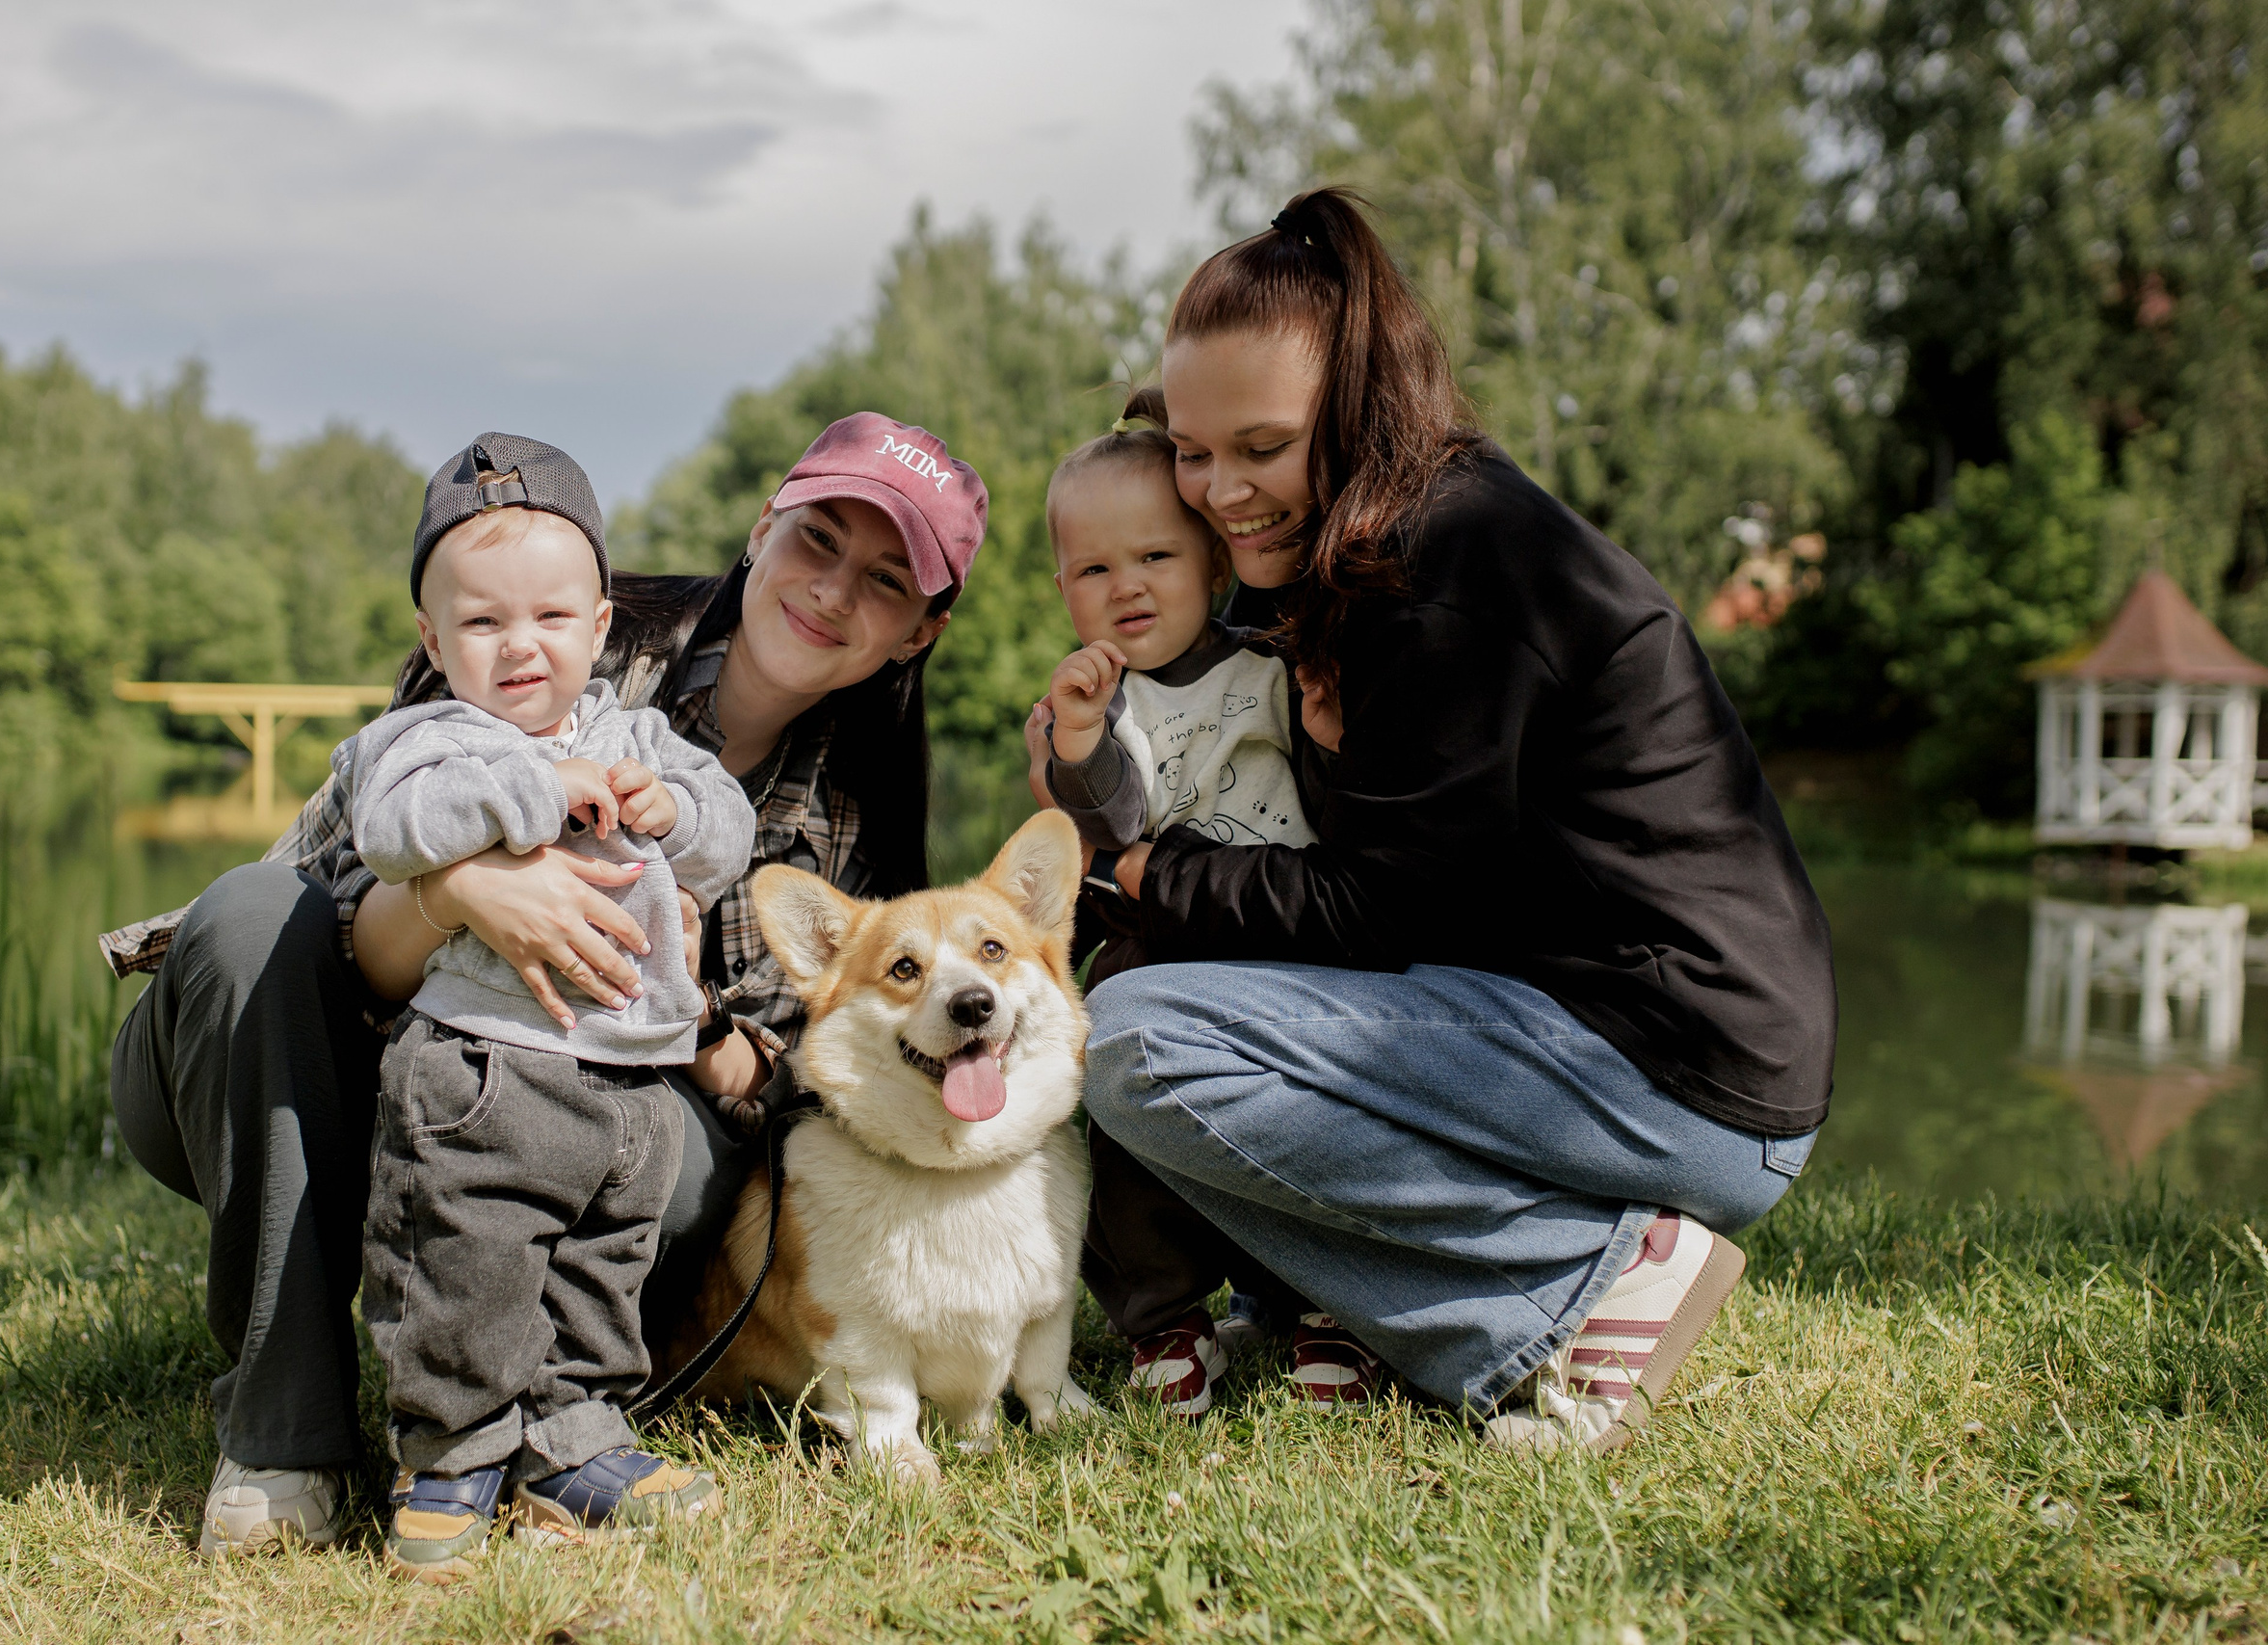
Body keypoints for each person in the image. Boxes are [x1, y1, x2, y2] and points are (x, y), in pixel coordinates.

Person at [106, 412, 987, 1556]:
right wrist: (464, 892)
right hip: (267, 1062)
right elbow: (303, 935)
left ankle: (546, 1421)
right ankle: (286, 1437)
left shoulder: (850, 827)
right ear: (764, 526)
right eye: (817, 539)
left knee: (685, 1163)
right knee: (249, 910)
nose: (831, 590)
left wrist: (685, 1004)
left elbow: (787, 1095)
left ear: (922, 630)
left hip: (548, 1107)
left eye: (884, 580)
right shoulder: (539, 621)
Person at [1073, 187, 1835, 1453]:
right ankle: (1357, 1305)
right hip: (1589, 1035)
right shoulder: (1376, 541)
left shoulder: (1450, 567)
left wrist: (1151, 870)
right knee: (1148, 1000)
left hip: (1675, 1073)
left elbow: (1379, 914)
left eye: (1262, 447)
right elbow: (1400, 867)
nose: (1219, 491)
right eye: (1193, 452)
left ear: (1355, 405)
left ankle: (1590, 1279)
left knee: (1139, 1041)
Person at [339, 435, 754, 1579]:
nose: (520, 645)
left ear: (601, 626)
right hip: (487, 1071)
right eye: (482, 623)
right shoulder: (433, 741)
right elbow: (393, 830)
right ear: (434, 642)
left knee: (599, 1266)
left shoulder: (641, 739)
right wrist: (537, 785)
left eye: (552, 618)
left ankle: (572, 1440)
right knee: (467, 1264)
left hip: (629, 1075)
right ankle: (451, 1453)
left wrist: (671, 809)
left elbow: (728, 836)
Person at [1021, 386, 1343, 1417]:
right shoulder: (1097, 699)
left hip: (1288, 937)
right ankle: (1162, 1315)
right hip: (1156, 945)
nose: (1126, 586)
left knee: (1307, 1121)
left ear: (1212, 562)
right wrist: (1076, 740)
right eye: (1094, 570)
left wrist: (1329, 726)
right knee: (1123, 1132)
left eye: (1155, 556)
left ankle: (1323, 1304)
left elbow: (1334, 798)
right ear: (1064, 589)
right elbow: (1112, 816)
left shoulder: (1273, 666)